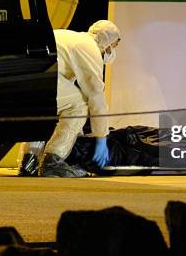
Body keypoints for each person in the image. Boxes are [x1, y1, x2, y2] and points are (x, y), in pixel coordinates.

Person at [17, 20, 121, 177]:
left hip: (22, 75)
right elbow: (95, 96)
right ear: (107, 41)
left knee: (49, 110)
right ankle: (52, 161)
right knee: (79, 106)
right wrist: (101, 137)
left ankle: (28, 161)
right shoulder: (90, 49)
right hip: (43, 77)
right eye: (114, 45)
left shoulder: (71, 38)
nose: (113, 51)